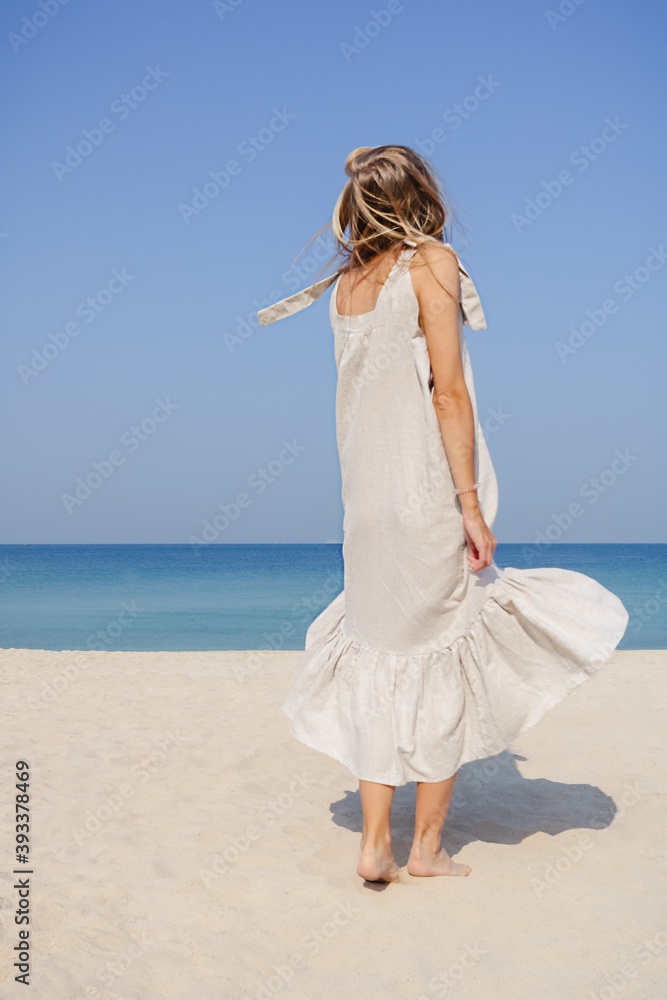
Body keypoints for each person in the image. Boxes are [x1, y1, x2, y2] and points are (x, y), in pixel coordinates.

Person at [257, 144, 629, 884]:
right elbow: (447, 393)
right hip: (423, 494)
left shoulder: (344, 285)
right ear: (421, 195)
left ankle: (373, 845)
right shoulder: (430, 263)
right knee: (441, 663)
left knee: (379, 660)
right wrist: (469, 506)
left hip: (363, 510)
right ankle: (423, 849)